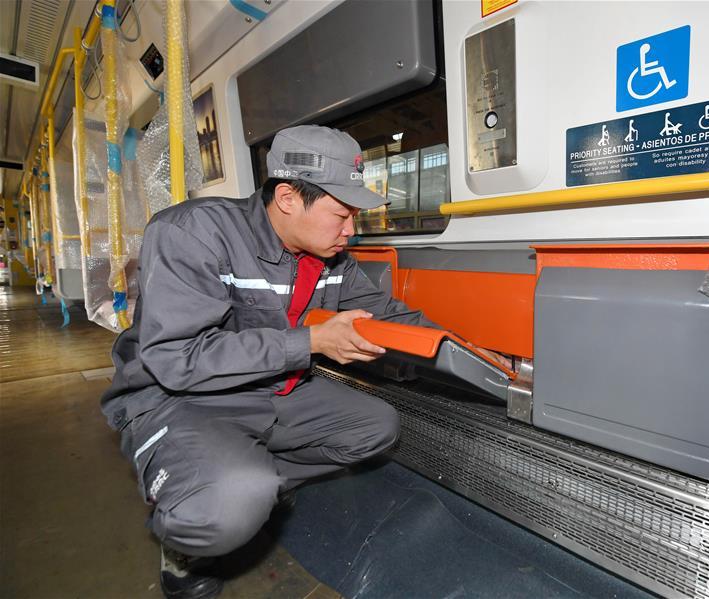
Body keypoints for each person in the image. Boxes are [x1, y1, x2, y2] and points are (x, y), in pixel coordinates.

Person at [101, 125, 506, 599]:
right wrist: (310, 342)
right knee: (228, 505)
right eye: (341, 214)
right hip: (182, 399)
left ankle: (256, 479)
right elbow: (177, 359)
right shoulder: (191, 233)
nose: (351, 230)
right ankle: (190, 542)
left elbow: (392, 314)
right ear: (289, 198)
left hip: (273, 389)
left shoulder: (330, 258)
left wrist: (471, 349)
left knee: (376, 427)